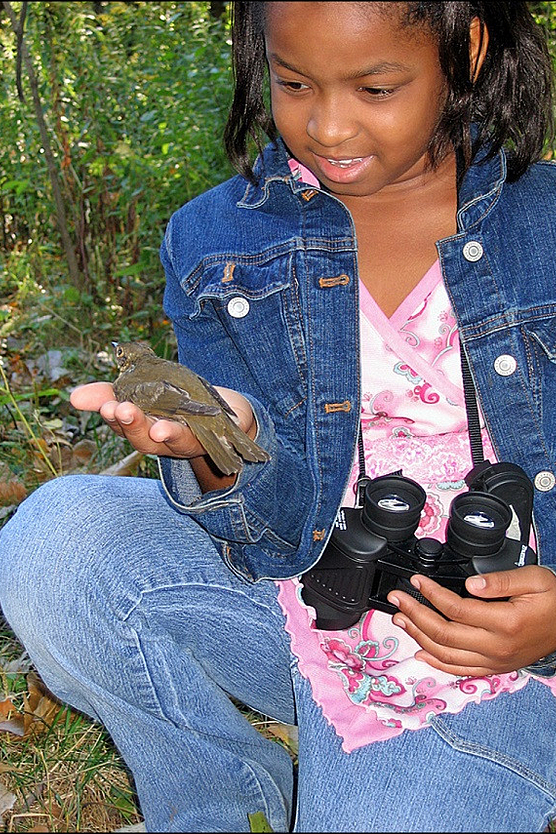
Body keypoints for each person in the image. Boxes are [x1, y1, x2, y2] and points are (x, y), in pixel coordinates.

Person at [1, 1, 556, 831]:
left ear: (467, 51)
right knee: (56, 540)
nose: (327, 126)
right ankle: (218, 807)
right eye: (294, 82)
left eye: (376, 87)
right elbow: (270, 531)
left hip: (495, 650)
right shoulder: (217, 241)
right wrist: (222, 448)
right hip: (307, 602)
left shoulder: (544, 226)